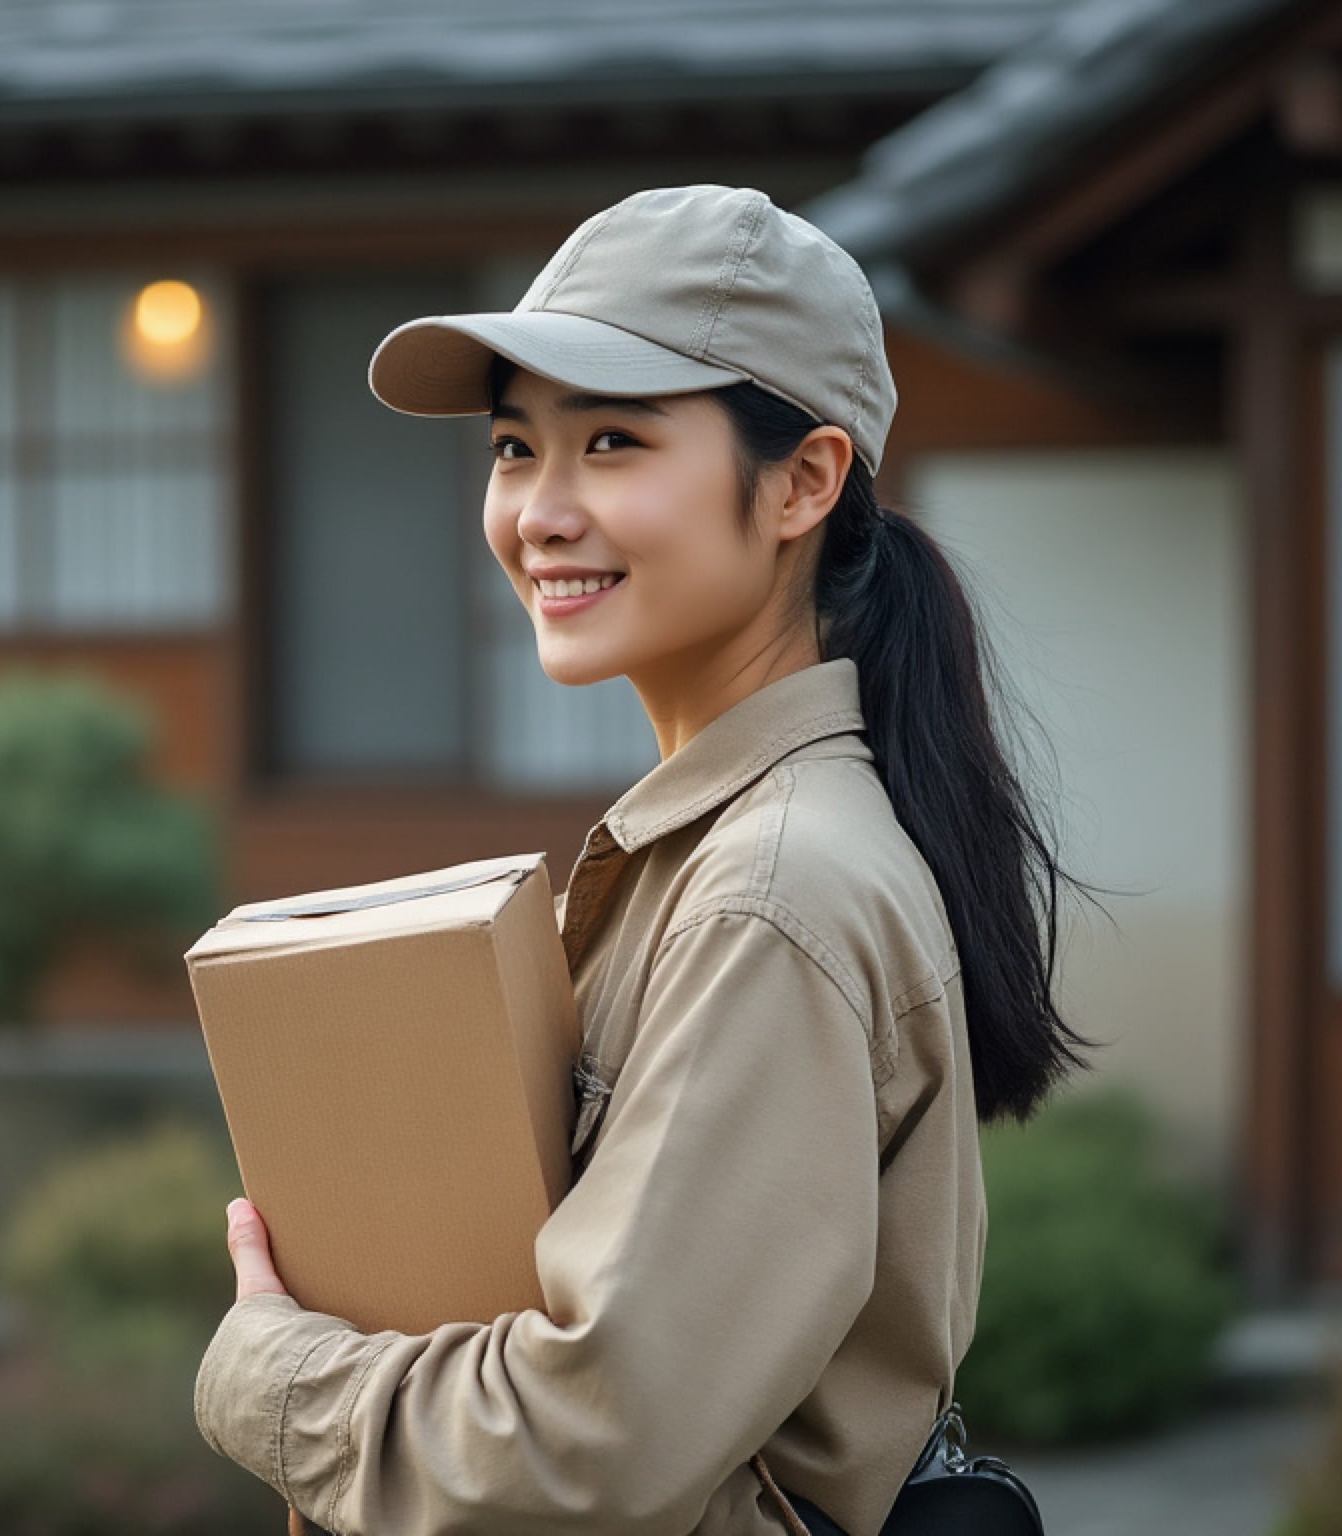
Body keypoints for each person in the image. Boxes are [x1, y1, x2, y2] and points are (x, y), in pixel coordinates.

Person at [195, 183, 1100, 1536]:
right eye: (514, 449)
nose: (540, 514)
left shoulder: (771, 890)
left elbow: (590, 1445)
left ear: (805, 482)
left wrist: (271, 1375)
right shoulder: (718, 849)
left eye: (613, 442)